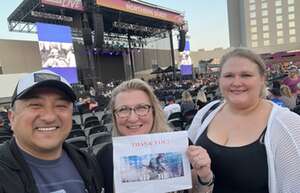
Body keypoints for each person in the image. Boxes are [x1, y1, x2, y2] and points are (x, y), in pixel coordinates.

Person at [188, 48, 300, 193]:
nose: (236, 82)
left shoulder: (288, 124)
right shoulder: (206, 112)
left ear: (262, 79)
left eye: (246, 75)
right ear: (220, 80)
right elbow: (185, 173)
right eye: (228, 76)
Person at [96, 79, 214, 193]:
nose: (132, 118)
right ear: (114, 116)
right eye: (123, 110)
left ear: (154, 111)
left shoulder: (180, 147)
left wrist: (204, 176)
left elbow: (196, 190)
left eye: (141, 108)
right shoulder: (104, 157)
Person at [0, 69, 104, 193]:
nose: (49, 117)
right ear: (12, 117)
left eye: (61, 106)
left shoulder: (88, 163)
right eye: (35, 105)